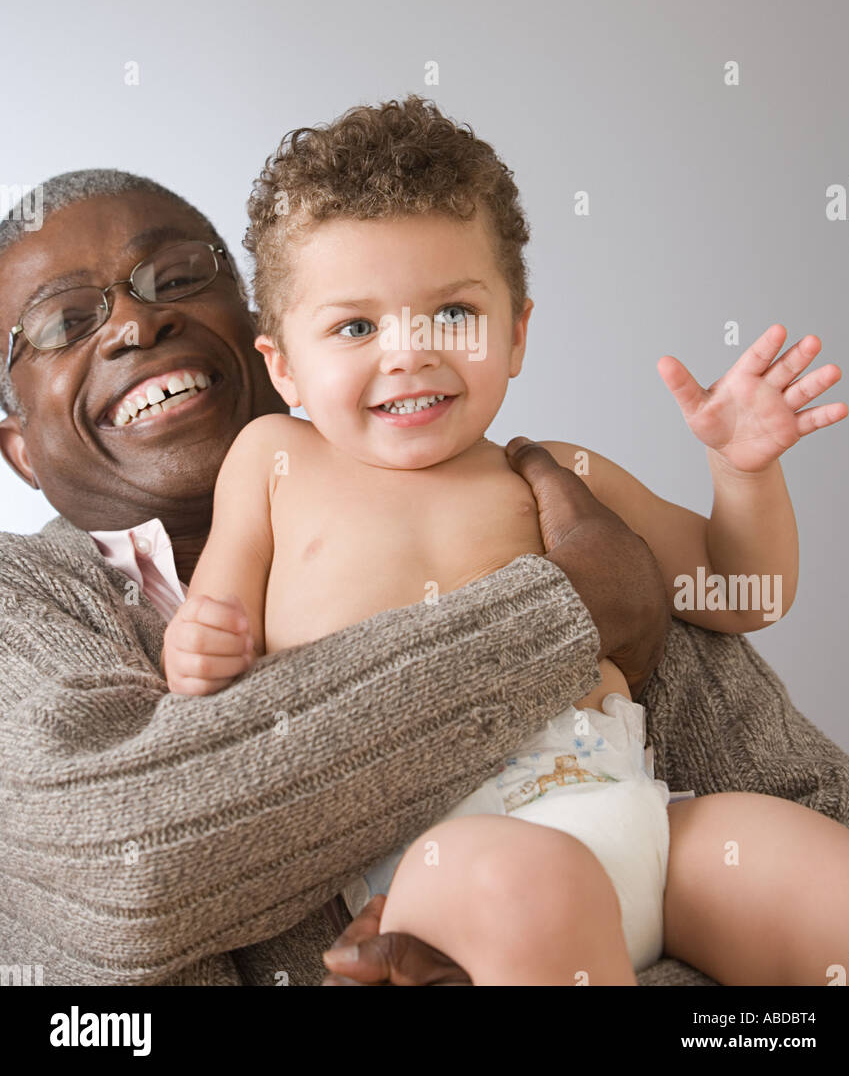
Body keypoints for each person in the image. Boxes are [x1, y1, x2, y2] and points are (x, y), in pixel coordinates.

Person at [164, 95, 849, 986]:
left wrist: (743, 472)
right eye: (357, 326)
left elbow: (743, 596)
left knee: (822, 873)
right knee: (532, 887)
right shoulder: (273, 462)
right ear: (284, 366)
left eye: (452, 313)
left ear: (518, 332)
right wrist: (197, 648)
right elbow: (212, 631)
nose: (409, 352)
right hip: (451, 864)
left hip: (640, 822)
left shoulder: (560, 472)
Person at [0, 167, 670, 987]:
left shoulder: (524, 500)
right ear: (20, 452)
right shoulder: (17, 601)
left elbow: (809, 813)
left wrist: (548, 960)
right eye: (65, 321)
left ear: (259, 330)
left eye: (176, 278)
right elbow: (130, 867)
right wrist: (554, 618)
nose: (137, 324)